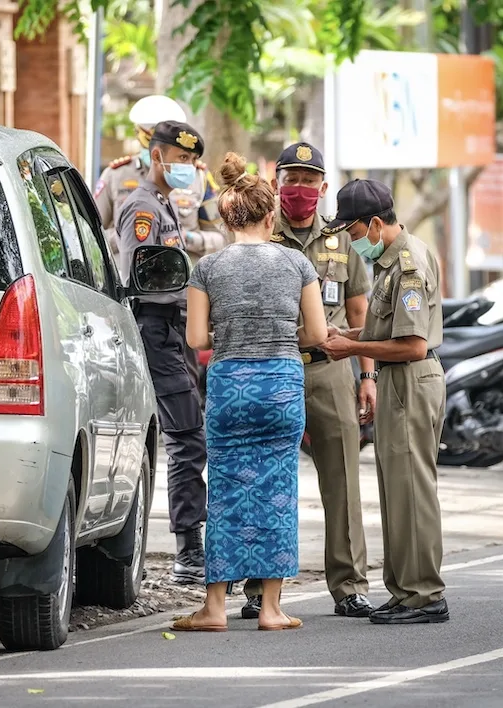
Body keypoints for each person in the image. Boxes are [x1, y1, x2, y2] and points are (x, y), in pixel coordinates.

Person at [171, 152, 327, 632]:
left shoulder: (208, 268)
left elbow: (197, 339)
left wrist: (233, 336)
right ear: (271, 215)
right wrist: (280, 336)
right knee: (278, 488)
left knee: (225, 490)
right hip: (281, 384)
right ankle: (273, 610)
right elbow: (318, 334)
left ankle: (215, 608)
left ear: (226, 216)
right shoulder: (297, 262)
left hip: (231, 385)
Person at [240, 142, 375, 620]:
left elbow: (358, 312)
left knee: (341, 479)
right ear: (277, 182)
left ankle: (349, 586)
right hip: (273, 367)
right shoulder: (260, 235)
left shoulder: (341, 242)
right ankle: (258, 587)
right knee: (266, 478)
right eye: (291, 178)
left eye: (308, 179)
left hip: (330, 369)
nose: (299, 188)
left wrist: (367, 376)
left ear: (322, 186)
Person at [320, 179, 449, 625]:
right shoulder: (390, 262)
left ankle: (425, 594)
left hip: (411, 379)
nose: (351, 242)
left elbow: (412, 345)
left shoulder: (408, 265)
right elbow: (385, 330)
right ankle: (404, 590)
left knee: (412, 490)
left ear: (375, 224)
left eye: (353, 233)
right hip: (399, 381)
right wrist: (349, 336)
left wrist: (352, 351)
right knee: (397, 489)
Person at [115, 120, 207, 586]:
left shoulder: (166, 206)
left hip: (176, 331)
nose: (189, 168)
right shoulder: (142, 208)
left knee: (187, 435)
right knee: (187, 436)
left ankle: (190, 546)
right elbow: (143, 275)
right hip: (154, 329)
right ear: (158, 157)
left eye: (192, 162)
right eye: (183, 160)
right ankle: (189, 553)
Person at [94, 94, 227, 390]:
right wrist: (128, 237)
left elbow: (222, 236)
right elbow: (90, 235)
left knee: (183, 388)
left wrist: (188, 240)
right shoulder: (117, 175)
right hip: (130, 303)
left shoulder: (197, 178)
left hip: (182, 303)